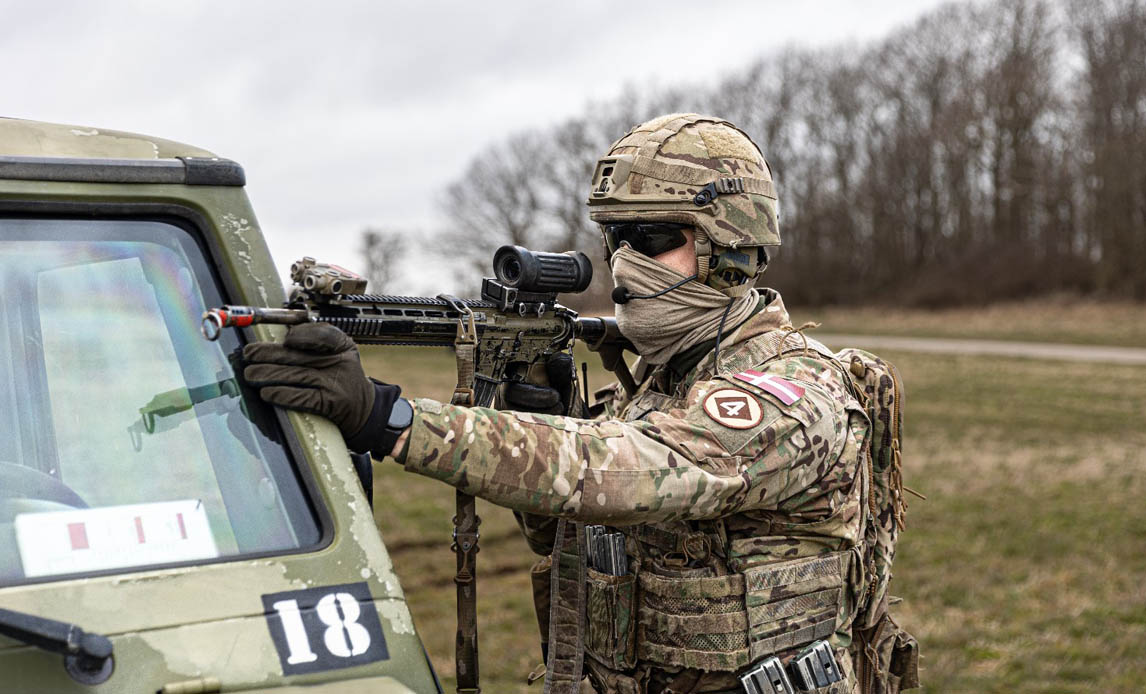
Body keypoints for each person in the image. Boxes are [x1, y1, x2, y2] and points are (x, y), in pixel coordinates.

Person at [243, 114, 910, 694]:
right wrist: (546, 413)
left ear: (729, 247)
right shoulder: (655, 386)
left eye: (650, 239)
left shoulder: (797, 394)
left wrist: (388, 417)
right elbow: (577, 528)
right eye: (613, 241)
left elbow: (639, 470)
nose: (623, 267)